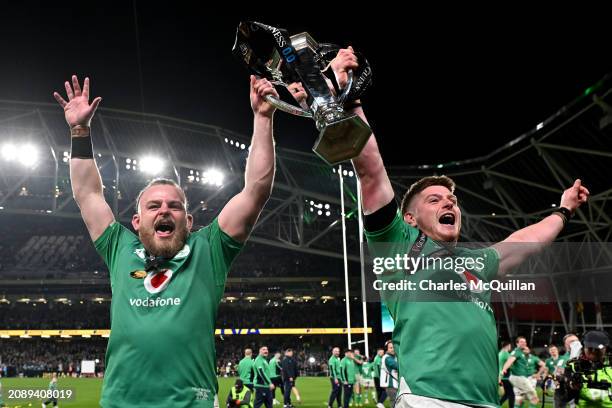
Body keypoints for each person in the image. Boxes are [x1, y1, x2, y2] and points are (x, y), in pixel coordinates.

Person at [292, 46, 589, 407]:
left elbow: (526, 240)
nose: (449, 203)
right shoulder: (399, 244)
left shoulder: (476, 261)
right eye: (434, 200)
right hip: (427, 400)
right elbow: (370, 167)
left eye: (452, 201)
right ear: (410, 219)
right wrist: (348, 97)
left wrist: (563, 209)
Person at [52, 74, 278, 407]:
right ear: (137, 220)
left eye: (174, 206)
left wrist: (262, 118)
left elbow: (256, 191)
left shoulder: (208, 250)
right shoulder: (120, 249)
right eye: (154, 205)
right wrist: (80, 133)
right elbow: (87, 193)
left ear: (188, 220)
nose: (164, 211)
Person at [502, 337, 540, 407]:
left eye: (525, 342)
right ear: (517, 343)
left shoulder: (522, 353)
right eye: (521, 342)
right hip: (519, 377)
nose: (524, 343)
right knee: (534, 398)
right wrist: (504, 368)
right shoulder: (517, 352)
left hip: (518, 378)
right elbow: (510, 360)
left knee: (519, 399)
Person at [380, 341, 398, 407]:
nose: (393, 349)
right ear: (387, 349)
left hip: (394, 384)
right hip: (391, 384)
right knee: (394, 403)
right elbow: (396, 365)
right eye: (390, 348)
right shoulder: (387, 357)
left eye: (394, 347)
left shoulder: (393, 357)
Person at [499, 341, 515, 408]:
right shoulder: (507, 354)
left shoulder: (499, 353)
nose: (510, 348)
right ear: (508, 345)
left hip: (501, 376)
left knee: (507, 394)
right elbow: (511, 365)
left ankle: (497, 404)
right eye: (510, 346)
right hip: (506, 377)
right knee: (512, 394)